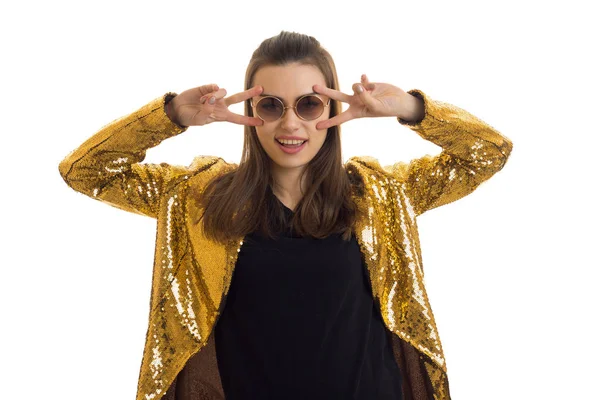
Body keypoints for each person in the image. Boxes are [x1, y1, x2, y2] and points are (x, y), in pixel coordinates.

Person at [59, 31, 513, 400]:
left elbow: (487, 154)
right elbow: (85, 172)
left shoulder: (378, 195)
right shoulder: (199, 198)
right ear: (251, 111)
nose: (291, 124)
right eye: (271, 105)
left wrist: (411, 109)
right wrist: (172, 114)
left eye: (309, 104)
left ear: (333, 110)